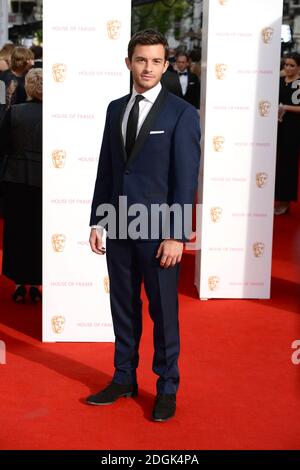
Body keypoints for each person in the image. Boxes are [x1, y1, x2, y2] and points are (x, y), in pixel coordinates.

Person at [86, 29, 200, 422]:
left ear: (165, 64)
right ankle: (123, 377)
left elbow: (185, 179)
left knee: (164, 313)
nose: (147, 67)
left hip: (158, 230)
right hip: (118, 225)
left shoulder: (182, 113)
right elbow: (107, 168)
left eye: (155, 61)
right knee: (123, 306)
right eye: (141, 59)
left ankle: (166, 386)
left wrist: (175, 234)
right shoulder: (115, 108)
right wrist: (98, 219)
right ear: (128, 62)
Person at [1, 68, 42, 303]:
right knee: (38, 233)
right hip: (44, 183)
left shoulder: (14, 112)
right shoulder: (55, 115)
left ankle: (18, 283)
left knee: (17, 233)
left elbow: (2, 146)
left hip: (16, 180)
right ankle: (36, 283)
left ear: (27, 86)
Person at [275, 52, 300, 215]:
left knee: (288, 165)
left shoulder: (299, 84)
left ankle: (285, 201)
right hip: (277, 127)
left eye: (292, 65)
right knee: (276, 163)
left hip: (293, 129)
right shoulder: (279, 81)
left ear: (298, 67)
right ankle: (277, 198)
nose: (288, 68)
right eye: (286, 65)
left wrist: (285, 107)